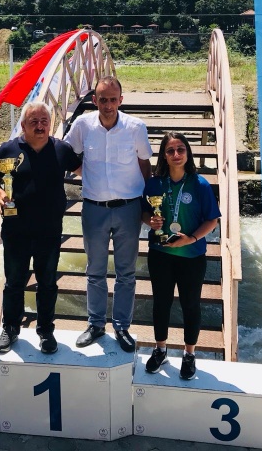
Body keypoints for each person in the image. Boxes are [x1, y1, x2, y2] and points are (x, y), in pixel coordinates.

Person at [64, 76, 152, 352]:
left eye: (113, 100)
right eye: (103, 100)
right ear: (94, 100)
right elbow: (66, 153)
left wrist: (146, 203)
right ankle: (96, 324)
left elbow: (145, 164)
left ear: (121, 100)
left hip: (128, 209)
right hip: (94, 209)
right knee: (95, 271)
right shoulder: (83, 125)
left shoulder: (136, 127)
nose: (108, 105)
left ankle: (122, 327)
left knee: (126, 273)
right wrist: (84, 172)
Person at [0, 102, 81, 354]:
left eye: (44, 121)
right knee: (14, 283)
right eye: (34, 121)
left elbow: (87, 171)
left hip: (49, 231)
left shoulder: (62, 149)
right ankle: (10, 328)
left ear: (50, 124)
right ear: (23, 125)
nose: (40, 126)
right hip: (16, 230)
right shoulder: (8, 149)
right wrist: (0, 194)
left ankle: (46, 331)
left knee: (47, 283)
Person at [141, 132, 221, 379]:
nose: (176, 154)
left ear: (188, 152)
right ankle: (160, 350)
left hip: (192, 255)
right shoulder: (154, 184)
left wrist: (192, 238)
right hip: (160, 253)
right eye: (170, 150)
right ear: (163, 156)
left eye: (181, 149)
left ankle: (189, 354)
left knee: (190, 304)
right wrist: (150, 221)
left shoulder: (200, 184)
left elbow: (212, 220)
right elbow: (143, 213)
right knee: (161, 303)